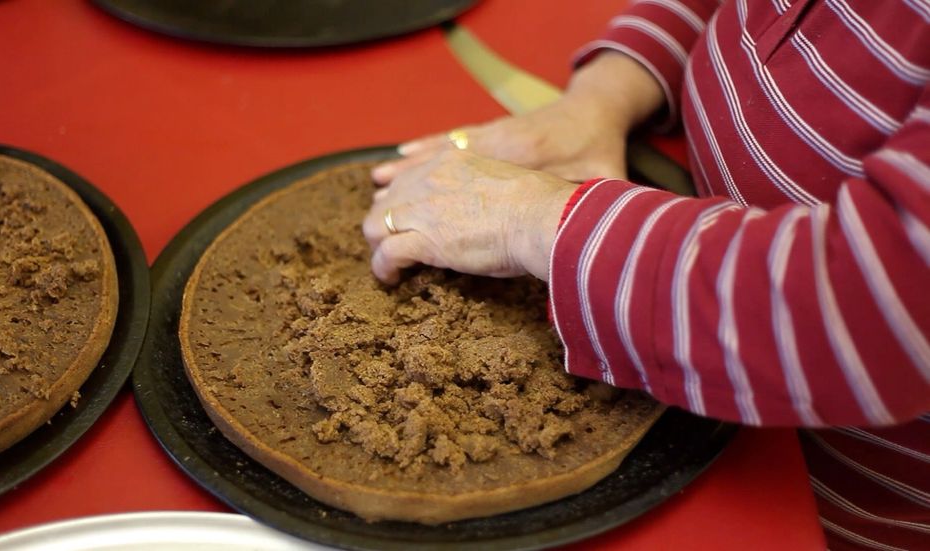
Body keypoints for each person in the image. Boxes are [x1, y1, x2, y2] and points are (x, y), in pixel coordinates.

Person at [362, 1, 930, 549]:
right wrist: (603, 99)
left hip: (820, 491)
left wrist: (531, 221)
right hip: (656, 226)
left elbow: (877, 303)